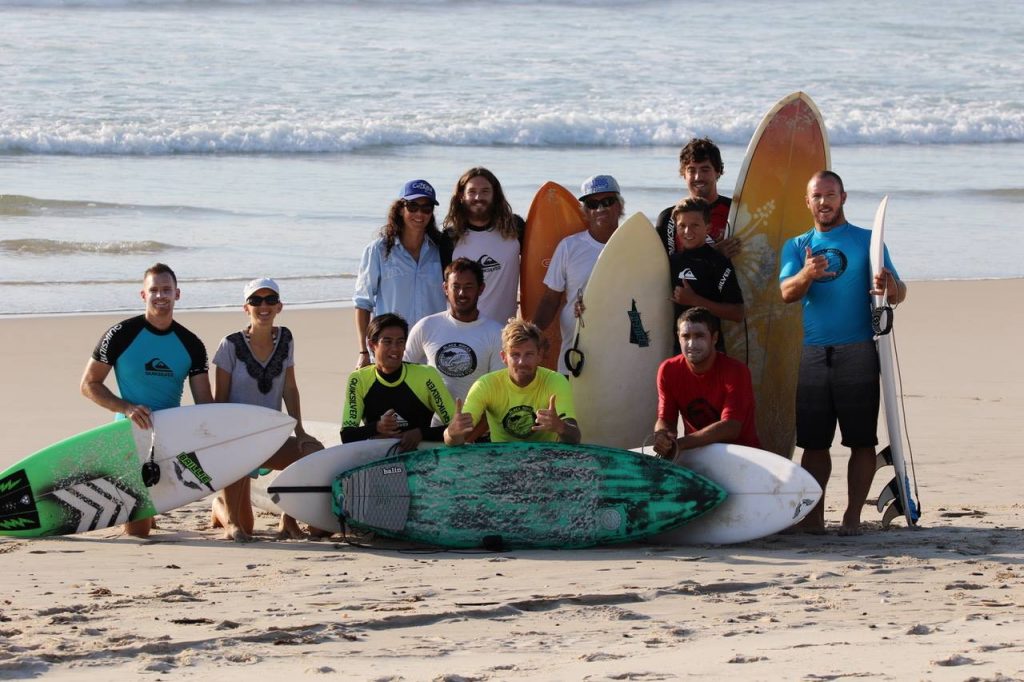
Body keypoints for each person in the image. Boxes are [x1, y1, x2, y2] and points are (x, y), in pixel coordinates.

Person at [779, 170, 907, 536]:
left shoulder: (869, 242)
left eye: (830, 195)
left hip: (859, 351)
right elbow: (787, 293)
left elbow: (899, 294)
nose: (824, 202)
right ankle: (814, 518)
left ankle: (852, 517)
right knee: (814, 444)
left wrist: (890, 286)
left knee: (861, 440)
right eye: (816, 196)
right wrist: (806, 273)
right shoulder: (797, 245)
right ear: (807, 202)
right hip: (813, 354)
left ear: (843, 198)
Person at [80, 262, 212, 538]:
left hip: (168, 440)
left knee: (146, 519)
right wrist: (126, 408)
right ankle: (137, 509)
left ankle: (146, 509)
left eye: (167, 290)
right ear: (143, 295)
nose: (160, 296)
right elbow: (89, 384)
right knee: (138, 533)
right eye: (154, 290)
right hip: (129, 436)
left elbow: (205, 405)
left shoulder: (191, 344)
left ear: (178, 294)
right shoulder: (119, 335)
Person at [210, 278, 324, 542]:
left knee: (313, 453)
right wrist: (226, 443)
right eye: (256, 300)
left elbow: (290, 389)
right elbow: (220, 400)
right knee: (244, 529)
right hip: (237, 443)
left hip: (271, 439)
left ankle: (288, 519)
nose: (264, 306)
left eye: (270, 300)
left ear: (279, 306)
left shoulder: (286, 339)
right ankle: (222, 511)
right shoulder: (229, 345)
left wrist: (301, 431)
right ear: (245, 308)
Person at [353, 179, 452, 370]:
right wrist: (363, 352)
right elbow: (362, 303)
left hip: (433, 350)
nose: (419, 213)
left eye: (426, 208)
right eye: (413, 206)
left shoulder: (443, 250)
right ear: (400, 208)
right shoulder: (378, 251)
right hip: (390, 351)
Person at [530, 174, 623, 374]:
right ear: (585, 212)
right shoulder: (569, 247)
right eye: (592, 204)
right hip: (575, 356)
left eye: (607, 201)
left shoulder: (633, 246)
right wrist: (531, 334)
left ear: (619, 206)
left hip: (619, 353)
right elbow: (550, 299)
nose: (600, 209)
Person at [444, 319, 579, 446]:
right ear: (504, 357)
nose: (522, 362)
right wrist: (452, 432)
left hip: (545, 460)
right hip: (502, 461)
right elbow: (454, 439)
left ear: (539, 355)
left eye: (529, 354)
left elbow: (575, 437)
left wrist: (560, 427)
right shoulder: (486, 384)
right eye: (515, 355)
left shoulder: (556, 381)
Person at [652, 307, 760, 460]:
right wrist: (662, 436)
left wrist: (680, 444)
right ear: (678, 338)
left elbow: (731, 427)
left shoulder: (736, 370)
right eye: (685, 336)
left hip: (742, 457)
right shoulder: (668, 370)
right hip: (697, 454)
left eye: (699, 336)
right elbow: (666, 419)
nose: (691, 344)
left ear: (714, 338)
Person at [342, 313, 456, 452]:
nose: (395, 348)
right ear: (372, 344)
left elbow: (455, 427)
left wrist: (421, 433)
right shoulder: (359, 379)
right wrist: (377, 427)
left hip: (421, 459)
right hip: (378, 460)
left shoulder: (426, 375)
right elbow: (347, 435)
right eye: (387, 341)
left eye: (400, 342)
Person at [404, 258, 503, 404]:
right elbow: (402, 372)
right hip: (432, 423)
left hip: (475, 422)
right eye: (455, 286)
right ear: (445, 288)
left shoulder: (496, 333)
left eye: (469, 286)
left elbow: (497, 391)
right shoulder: (426, 326)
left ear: (481, 288)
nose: (462, 293)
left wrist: (477, 427)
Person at [443, 167, 526, 323]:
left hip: (505, 330)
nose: (478, 197)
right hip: (463, 327)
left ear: (495, 195)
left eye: (485, 191)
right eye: (472, 191)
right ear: (461, 196)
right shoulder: (451, 236)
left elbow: (538, 265)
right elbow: (446, 288)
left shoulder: (514, 227)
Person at [667, 197, 745, 352]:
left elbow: (737, 313)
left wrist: (694, 300)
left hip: (712, 348)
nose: (687, 231)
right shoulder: (670, 262)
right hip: (680, 348)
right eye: (682, 225)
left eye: (695, 225)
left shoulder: (718, 263)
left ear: (708, 228)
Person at [654, 137, 741, 259]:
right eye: (691, 170)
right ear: (684, 174)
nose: (698, 177)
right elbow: (665, 270)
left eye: (705, 170)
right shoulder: (669, 218)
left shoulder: (736, 212)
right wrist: (715, 255)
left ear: (718, 172)